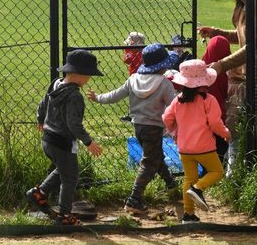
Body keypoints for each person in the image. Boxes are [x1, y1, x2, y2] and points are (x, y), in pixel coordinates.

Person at [87, 43, 178, 213]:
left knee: (155, 155)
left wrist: (98, 97)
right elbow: (174, 107)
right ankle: (134, 199)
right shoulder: (165, 84)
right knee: (149, 162)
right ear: (164, 65)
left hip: (138, 126)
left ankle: (171, 184)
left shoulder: (133, 79)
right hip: (154, 127)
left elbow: (115, 95)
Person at [26, 49, 103, 225]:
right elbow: (73, 124)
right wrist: (89, 142)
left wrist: (40, 118)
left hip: (48, 139)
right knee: (70, 178)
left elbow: (43, 102)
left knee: (63, 169)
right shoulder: (75, 96)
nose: (89, 79)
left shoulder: (56, 84)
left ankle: (39, 193)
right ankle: (64, 214)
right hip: (63, 143)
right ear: (78, 75)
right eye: (88, 75)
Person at [162, 59, 231, 224]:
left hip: (184, 148)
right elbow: (215, 123)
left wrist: (174, 131)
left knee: (189, 178)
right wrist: (226, 133)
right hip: (204, 147)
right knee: (217, 171)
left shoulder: (178, 100)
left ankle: (188, 215)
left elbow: (166, 118)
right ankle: (198, 189)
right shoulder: (208, 100)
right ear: (204, 81)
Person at [198, 0, 246, 178]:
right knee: (235, 128)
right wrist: (217, 32)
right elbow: (240, 37)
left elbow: (252, 46)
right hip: (243, 75)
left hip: (248, 78)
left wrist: (221, 65)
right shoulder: (243, 8)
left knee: (235, 128)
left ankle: (232, 178)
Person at [201, 36, 231, 173]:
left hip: (202, 119)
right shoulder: (227, 72)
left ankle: (207, 171)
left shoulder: (200, 71)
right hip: (221, 119)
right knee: (221, 147)